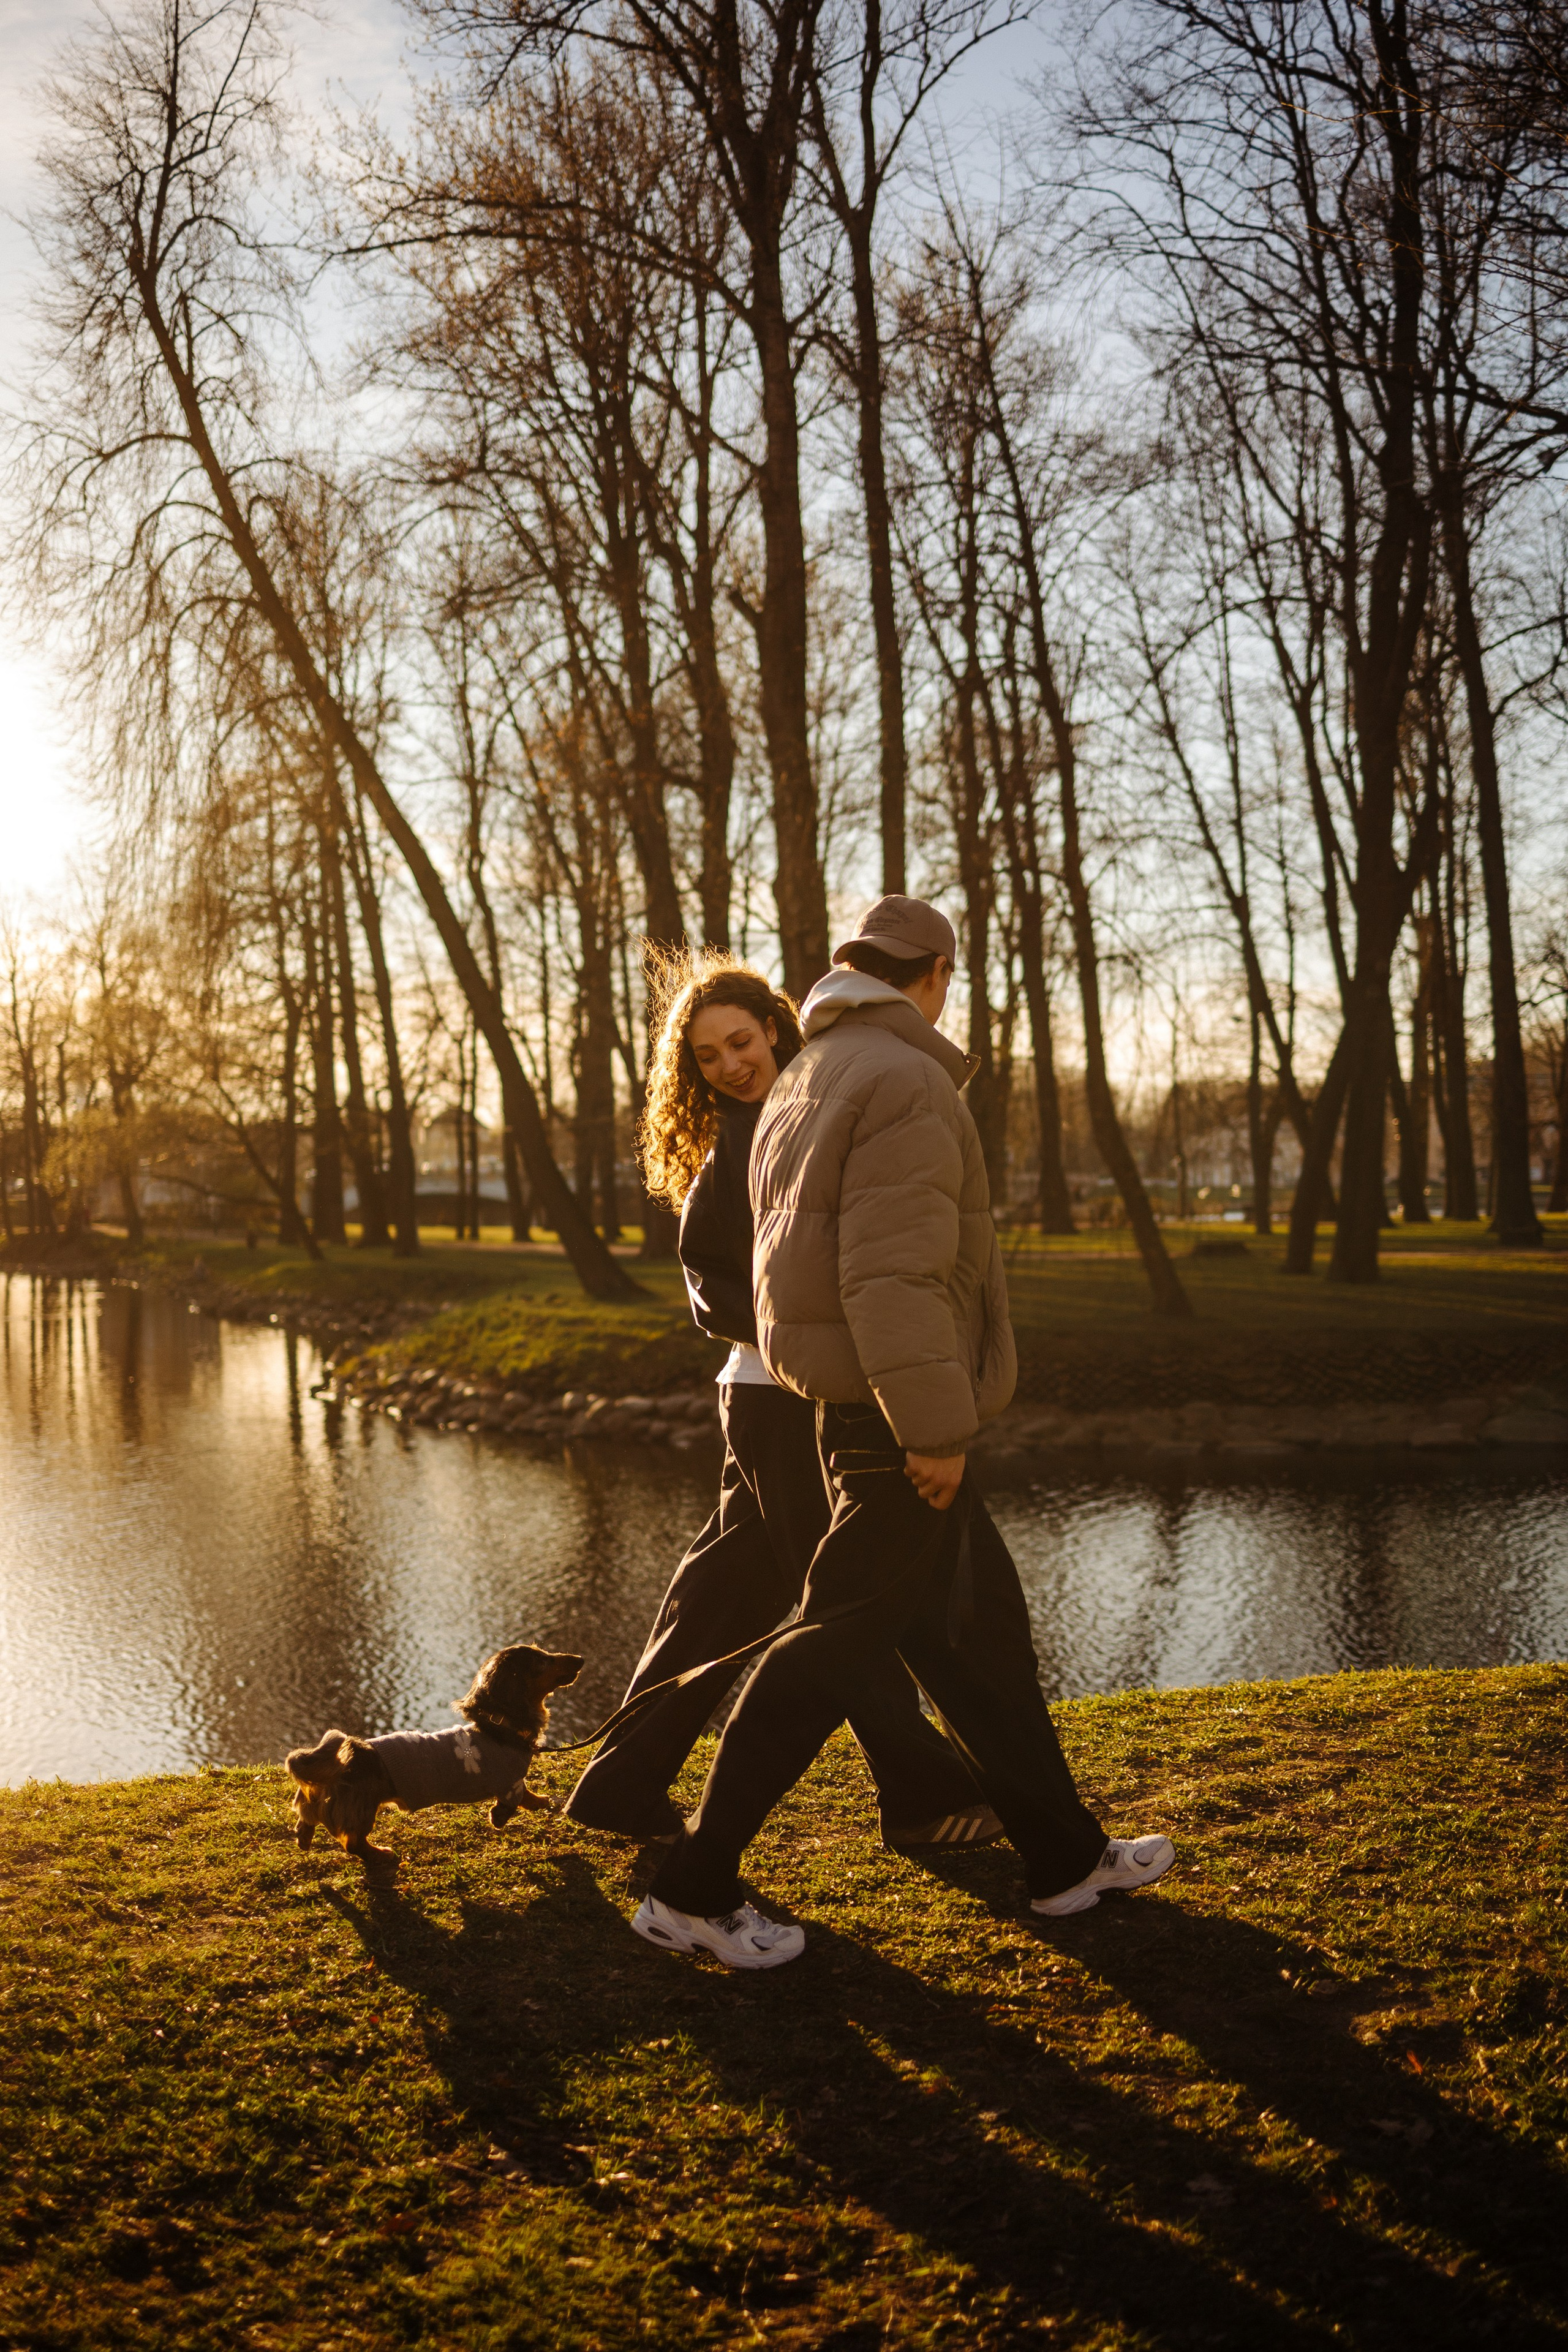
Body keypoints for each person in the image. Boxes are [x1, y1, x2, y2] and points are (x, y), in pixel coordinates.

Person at [632, 898, 1176, 1969]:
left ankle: (1065, 1859)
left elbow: (799, 1276)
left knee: (984, 1641)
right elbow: (891, 1275)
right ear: (936, 973)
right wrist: (931, 1426)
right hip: (894, 1423)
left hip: (849, 1410)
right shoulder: (900, 1078)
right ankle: (691, 1888)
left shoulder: (816, 1076)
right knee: (828, 1646)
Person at [565, 950, 997, 1853]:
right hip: (780, 1405)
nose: (728, 1064)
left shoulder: (800, 1111)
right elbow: (713, 1284)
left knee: (713, 1604)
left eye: (739, 1041)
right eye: (707, 1057)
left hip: (768, 1404)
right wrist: (810, 1334)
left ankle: (617, 1785)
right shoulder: (741, 1141)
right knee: (846, 1613)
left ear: (775, 1028)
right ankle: (921, 1796)